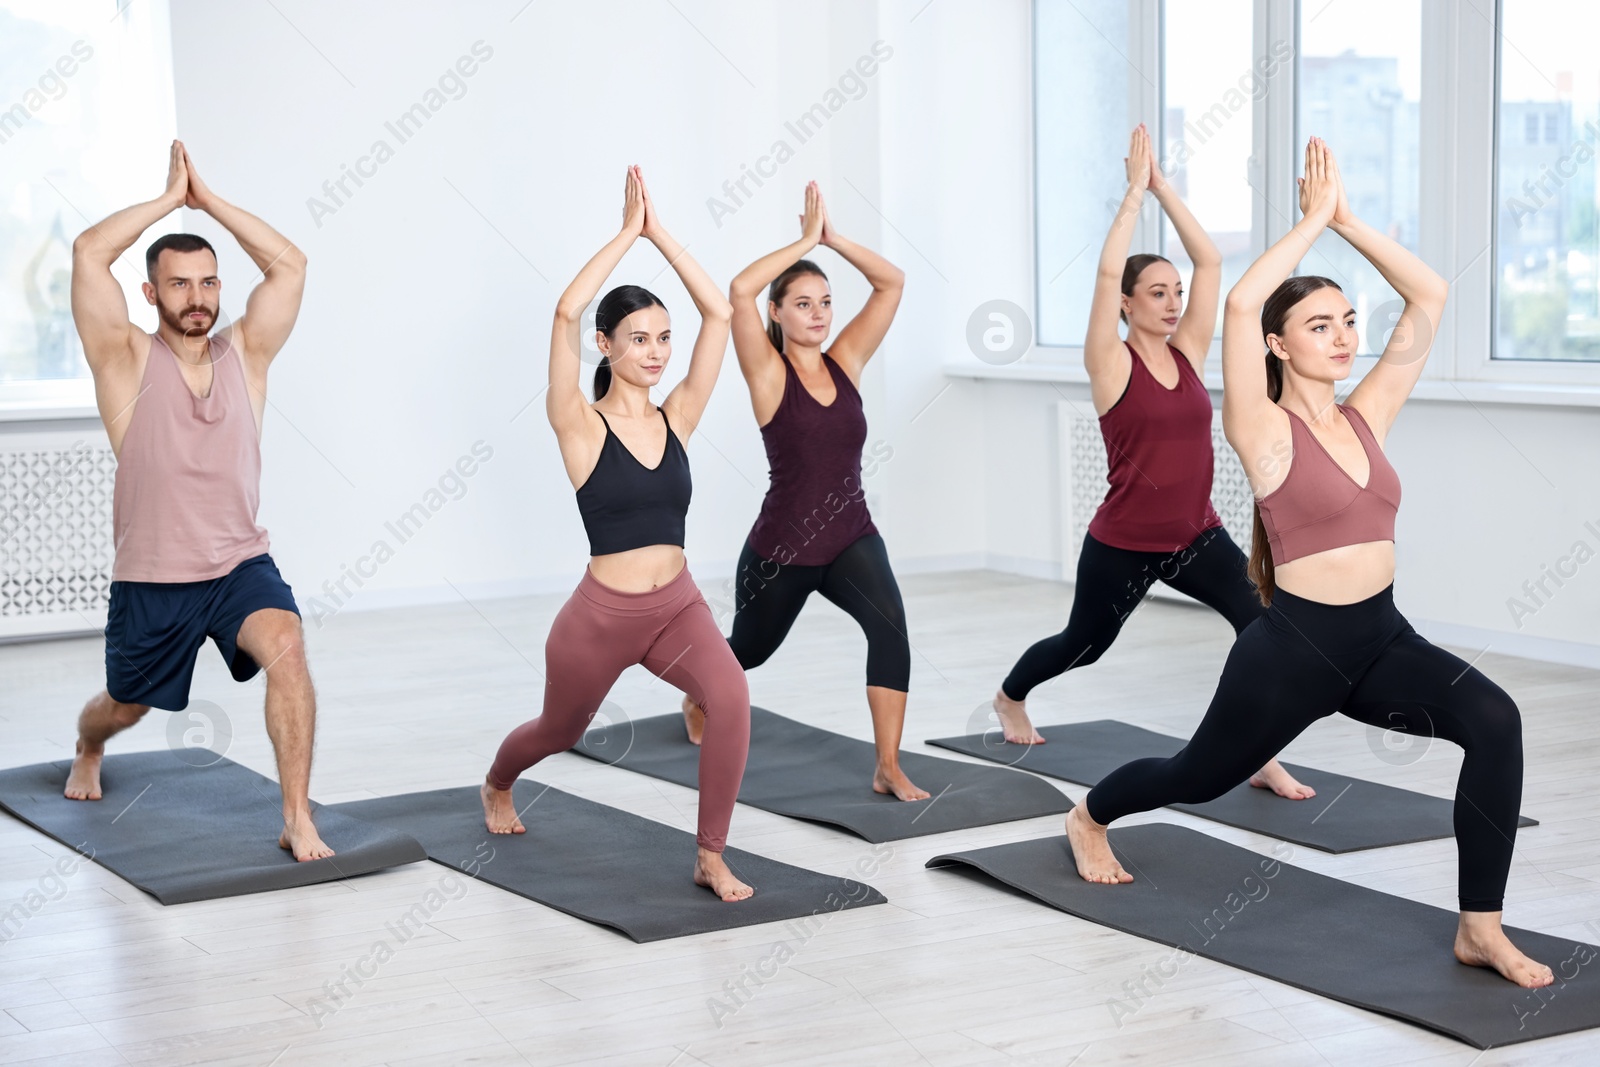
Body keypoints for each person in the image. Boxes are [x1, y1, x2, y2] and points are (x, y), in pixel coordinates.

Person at [1064, 137, 1552, 989]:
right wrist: (1309, 223)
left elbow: (1429, 292)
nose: (1343, 337)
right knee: (1196, 775)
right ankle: (1090, 814)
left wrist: (1350, 221)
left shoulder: (1369, 414)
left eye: (1348, 322)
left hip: (1382, 640)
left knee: (1496, 721)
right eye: (1319, 326)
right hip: (1293, 651)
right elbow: (1246, 296)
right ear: (1279, 346)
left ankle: (1480, 926)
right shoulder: (1261, 429)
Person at [993, 125, 1310, 800]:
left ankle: (1258, 751)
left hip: (1196, 534)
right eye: (1156, 293)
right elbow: (1107, 270)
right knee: (1085, 643)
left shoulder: (1189, 352)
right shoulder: (1110, 363)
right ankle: (1010, 694)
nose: (1171, 303)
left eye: (1174, 292)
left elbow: (1212, 265)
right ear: (1127, 304)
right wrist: (1133, 196)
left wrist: (1166, 189)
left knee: (1265, 628)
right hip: (1125, 542)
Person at [482, 166, 754, 902]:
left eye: (664, 338)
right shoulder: (577, 423)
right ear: (606, 345)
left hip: (678, 608)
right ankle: (497, 780)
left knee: (731, 699)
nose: (658, 352)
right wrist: (625, 234)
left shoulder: (679, 417)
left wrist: (661, 234)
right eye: (639, 339)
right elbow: (565, 310)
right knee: (556, 731)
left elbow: (722, 316)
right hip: (599, 621)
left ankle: (710, 853)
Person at [65, 140, 331, 862]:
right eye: (179, 285)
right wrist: (165, 200)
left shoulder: (246, 353)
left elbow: (291, 265)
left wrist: (207, 200)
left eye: (208, 283)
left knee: (289, 652)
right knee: (126, 705)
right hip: (153, 577)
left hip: (240, 564)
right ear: (151, 294)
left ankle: (296, 816)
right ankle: (87, 745)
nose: (198, 298)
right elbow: (90, 252)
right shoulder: (123, 359)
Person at [680, 181, 927, 801]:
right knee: (748, 655)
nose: (818, 314)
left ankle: (888, 766)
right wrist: (802, 241)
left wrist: (834, 239)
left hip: (852, 537)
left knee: (891, 629)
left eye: (824, 302)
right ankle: (697, 689)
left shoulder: (846, 360)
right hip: (782, 549)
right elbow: (738, 289)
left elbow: (892, 282)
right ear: (777, 314)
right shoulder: (767, 372)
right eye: (803, 303)